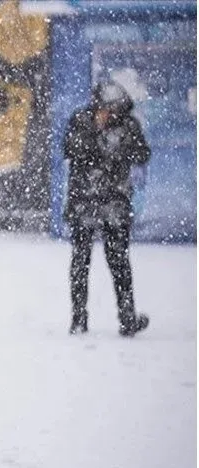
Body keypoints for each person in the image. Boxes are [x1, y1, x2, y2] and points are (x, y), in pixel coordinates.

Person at [63, 81, 151, 337]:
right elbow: (70, 149)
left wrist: (116, 142)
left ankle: (127, 319)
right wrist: (97, 136)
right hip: (85, 202)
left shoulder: (128, 125)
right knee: (81, 261)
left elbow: (142, 154)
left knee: (119, 262)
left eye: (113, 109)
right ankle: (79, 318)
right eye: (104, 108)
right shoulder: (81, 120)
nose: (107, 113)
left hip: (114, 203)